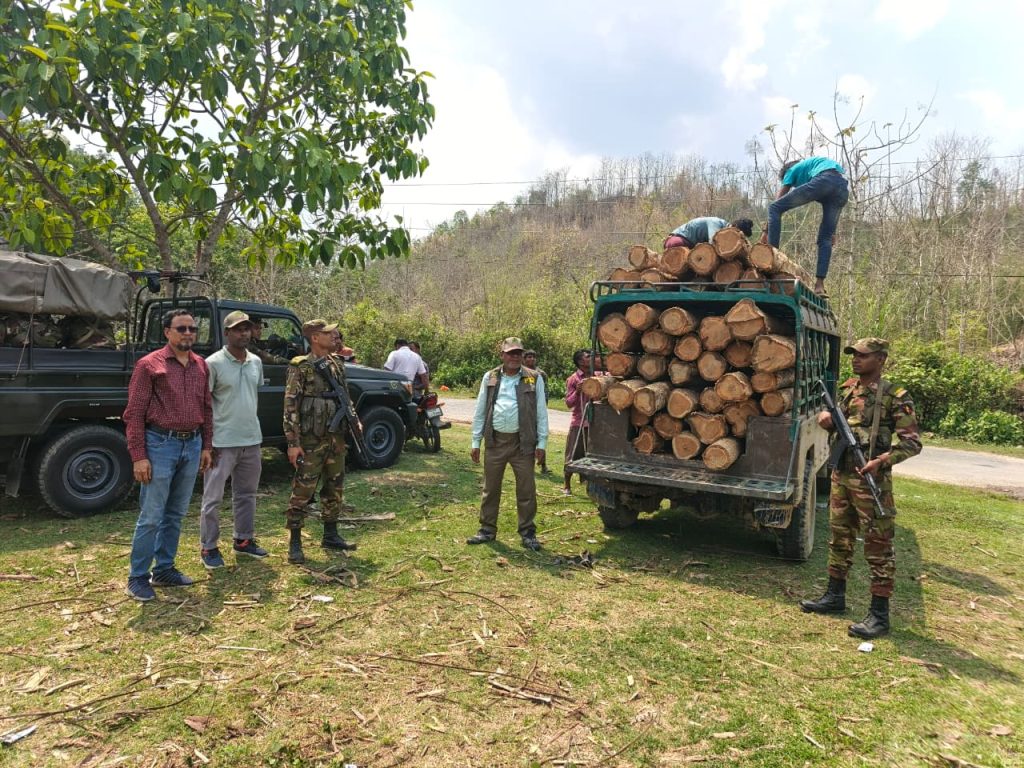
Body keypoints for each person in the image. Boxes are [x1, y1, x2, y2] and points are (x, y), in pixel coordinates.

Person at [799, 338, 922, 639]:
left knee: (878, 545)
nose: (856, 360)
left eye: (863, 356)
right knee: (840, 538)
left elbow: (912, 443)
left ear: (880, 359)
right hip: (842, 476)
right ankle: (834, 596)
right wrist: (825, 419)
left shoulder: (895, 395)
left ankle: (879, 615)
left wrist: (883, 460)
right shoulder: (847, 389)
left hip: (872, 481)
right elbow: (836, 423)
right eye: (854, 355)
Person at [122, 309, 213, 601]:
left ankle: (164, 569)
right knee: (151, 516)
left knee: (175, 513)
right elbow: (134, 414)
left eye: (192, 328)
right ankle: (138, 576)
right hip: (160, 444)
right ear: (167, 332)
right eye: (181, 328)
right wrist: (139, 456)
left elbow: (207, 409)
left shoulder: (200, 365)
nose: (188, 333)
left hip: (192, 444)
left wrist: (207, 446)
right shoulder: (149, 365)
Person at [283, 318, 357, 564]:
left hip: (335, 438)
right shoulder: (301, 366)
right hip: (311, 439)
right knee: (303, 490)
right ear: (315, 338)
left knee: (334, 486)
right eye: (327, 333)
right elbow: (290, 405)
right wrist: (293, 443)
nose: (333, 336)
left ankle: (331, 534)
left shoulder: (336, 363)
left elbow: (345, 395)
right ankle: (295, 540)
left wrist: (354, 419)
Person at [198, 311, 268, 570]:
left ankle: (243, 540)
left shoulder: (255, 362)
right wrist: (206, 443)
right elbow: (204, 403)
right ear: (226, 333)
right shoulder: (212, 363)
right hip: (221, 442)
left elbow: (251, 394)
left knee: (247, 494)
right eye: (238, 329)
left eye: (247, 329)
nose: (244, 333)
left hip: (251, 439)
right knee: (213, 497)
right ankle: (209, 546)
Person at [468, 337, 549, 551]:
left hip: (523, 444)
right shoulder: (491, 377)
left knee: (526, 489)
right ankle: (487, 530)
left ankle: (528, 532)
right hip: (495, 441)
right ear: (502, 355)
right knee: (490, 488)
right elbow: (480, 409)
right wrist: (476, 441)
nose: (514, 357)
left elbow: (541, 411)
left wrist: (542, 442)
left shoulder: (533, 378)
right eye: (510, 353)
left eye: (518, 353)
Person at [766, 157, 850, 296]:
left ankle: (770, 262)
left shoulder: (791, 170)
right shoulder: (813, 165)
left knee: (774, 208)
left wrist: (766, 231)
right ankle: (819, 286)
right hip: (841, 188)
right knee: (826, 238)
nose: (793, 185)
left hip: (825, 181)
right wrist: (832, 232)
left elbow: (778, 201)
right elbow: (835, 181)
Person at [563, 348, 593, 496]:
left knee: (592, 456)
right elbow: (568, 403)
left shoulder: (598, 375)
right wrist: (578, 391)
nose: (592, 358)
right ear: (581, 362)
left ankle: (589, 484)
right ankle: (567, 485)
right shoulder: (573, 379)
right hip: (579, 423)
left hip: (595, 424)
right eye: (588, 356)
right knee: (573, 454)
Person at [522, 349, 550, 473]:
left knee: (540, 438)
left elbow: (545, 393)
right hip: (525, 410)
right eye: (528, 357)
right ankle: (527, 465)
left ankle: (543, 465)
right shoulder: (520, 372)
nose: (531, 359)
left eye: (533, 357)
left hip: (537, 410)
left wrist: (543, 408)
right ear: (524, 359)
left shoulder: (540, 374)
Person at [663, 217, 754, 249]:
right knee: (676, 244)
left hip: (692, 247)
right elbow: (713, 244)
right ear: (735, 228)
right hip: (680, 239)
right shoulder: (716, 223)